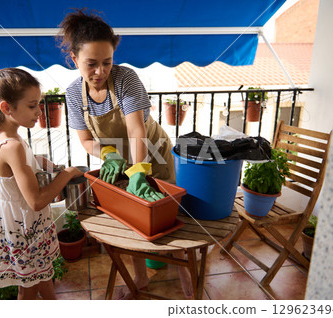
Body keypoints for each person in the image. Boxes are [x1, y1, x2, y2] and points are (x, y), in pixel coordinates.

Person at [58, 9, 193, 299]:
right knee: (131, 220)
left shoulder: (125, 79)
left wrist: (138, 169)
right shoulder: (72, 94)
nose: (100, 72)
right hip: (118, 160)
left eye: (106, 62)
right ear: (74, 60)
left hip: (152, 152)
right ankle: (141, 279)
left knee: (168, 216)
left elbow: (136, 132)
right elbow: (84, 140)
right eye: (90, 64)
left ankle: (186, 275)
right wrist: (107, 153)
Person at [0, 67, 84, 300]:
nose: (39, 112)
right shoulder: (13, 146)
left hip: (15, 224)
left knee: (42, 277)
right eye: (32, 105)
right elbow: (36, 201)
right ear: (6, 107)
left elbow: (9, 171)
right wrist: (65, 174)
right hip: (26, 228)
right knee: (28, 287)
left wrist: (36, 160)